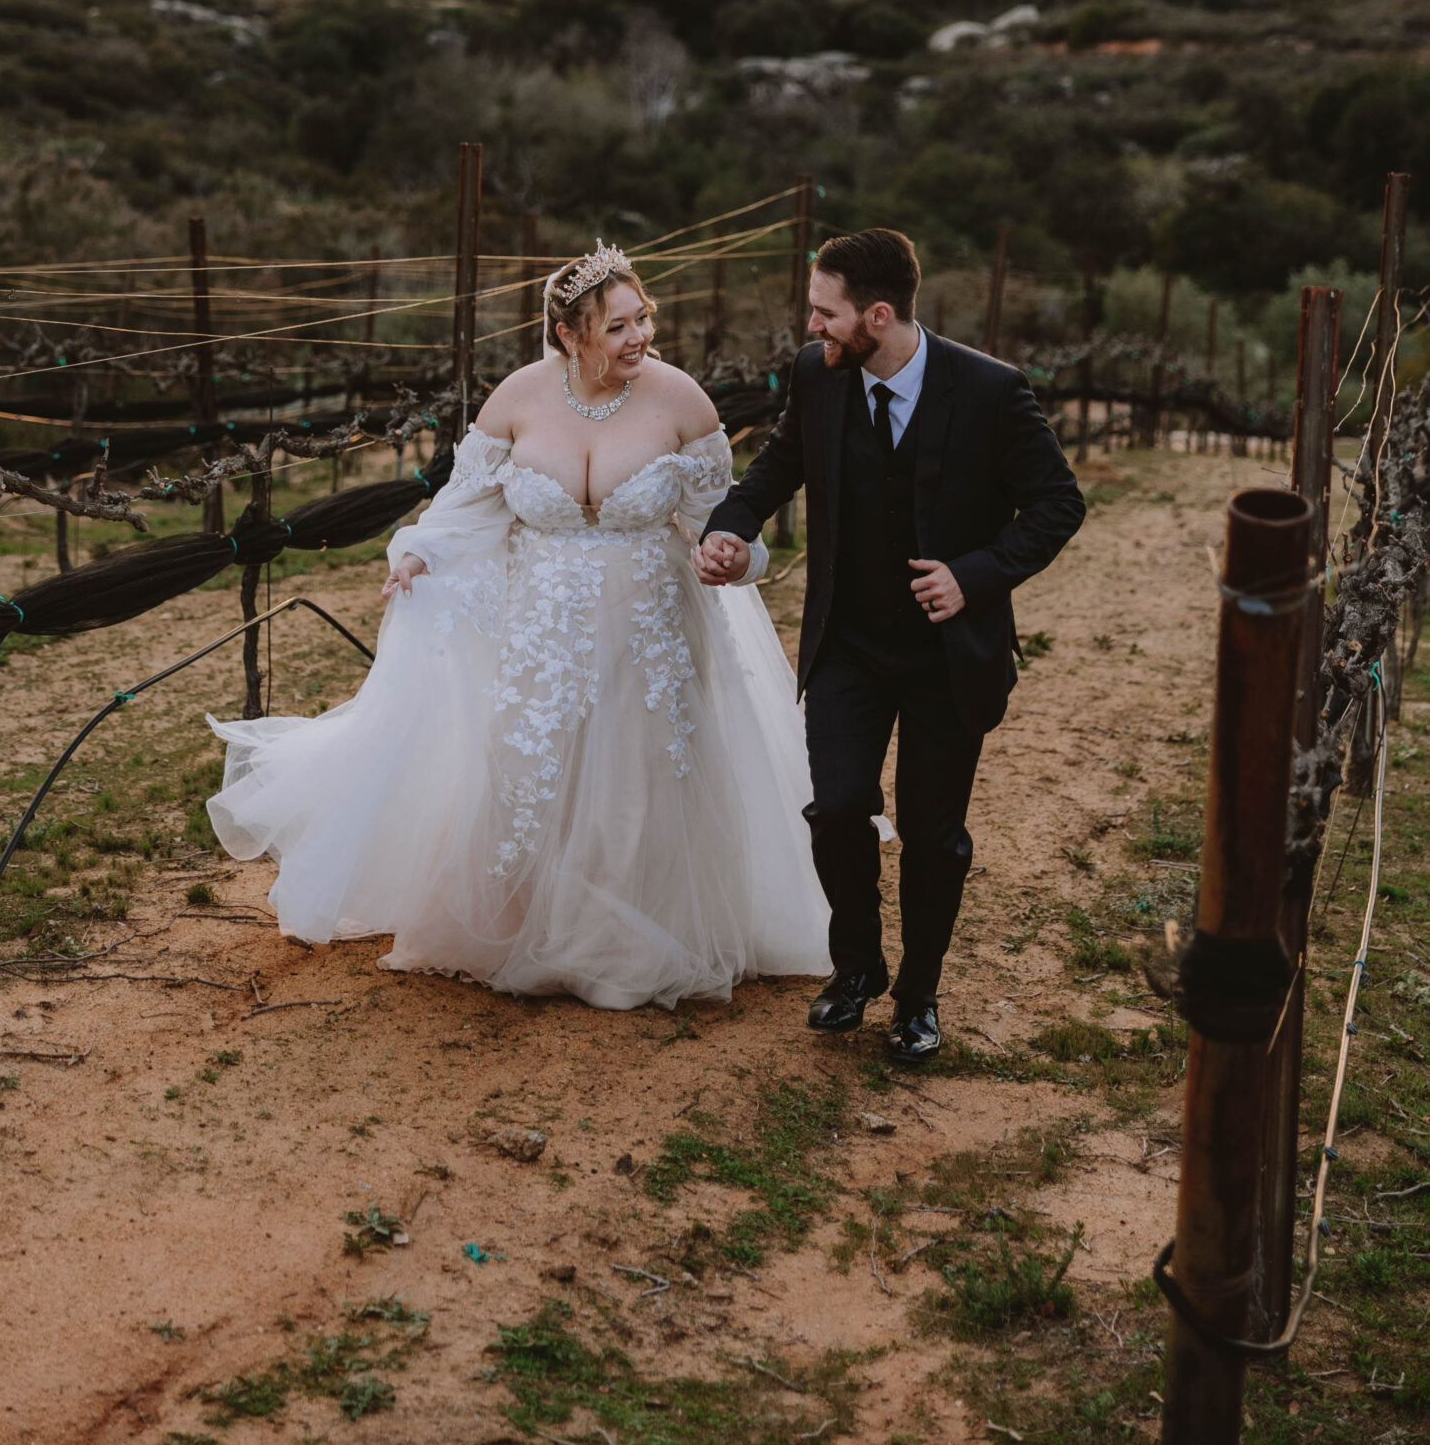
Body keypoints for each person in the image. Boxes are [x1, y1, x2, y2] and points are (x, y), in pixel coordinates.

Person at [206, 245, 828, 1010]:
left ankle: (630, 942)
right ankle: (522, 925)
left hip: (652, 625)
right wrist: (417, 557)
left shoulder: (681, 401)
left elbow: (720, 525)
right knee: (528, 768)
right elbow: (465, 508)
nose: (639, 338)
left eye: (644, 320)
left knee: (641, 775)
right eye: (618, 325)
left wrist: (732, 555)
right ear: (569, 333)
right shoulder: (517, 398)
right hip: (541, 625)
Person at [695, 227, 1085, 1060]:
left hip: (948, 655)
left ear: (877, 314)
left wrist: (973, 575)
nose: (811, 327)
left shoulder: (990, 391)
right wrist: (731, 526)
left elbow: (1057, 504)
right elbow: (778, 465)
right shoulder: (818, 376)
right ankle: (857, 968)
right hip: (848, 646)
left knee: (933, 832)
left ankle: (918, 994)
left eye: (824, 313)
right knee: (837, 809)